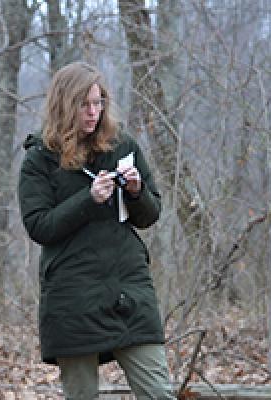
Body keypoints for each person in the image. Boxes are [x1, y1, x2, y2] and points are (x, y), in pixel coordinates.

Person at [17, 62, 175, 399]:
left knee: (159, 392)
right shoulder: (39, 159)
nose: (93, 112)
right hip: (72, 296)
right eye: (84, 104)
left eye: (98, 102)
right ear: (64, 105)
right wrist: (87, 200)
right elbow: (39, 226)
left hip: (129, 288)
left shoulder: (122, 146)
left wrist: (135, 192)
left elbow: (150, 214)